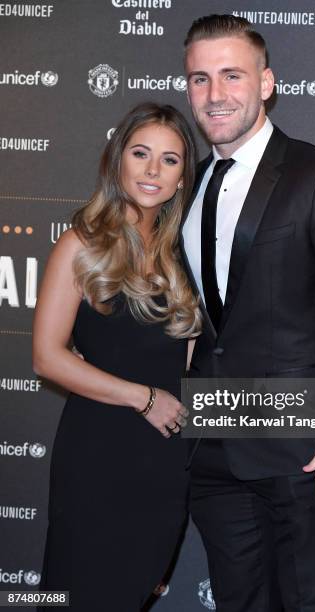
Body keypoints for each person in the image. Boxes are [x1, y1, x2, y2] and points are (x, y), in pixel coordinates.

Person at [180, 14, 315, 612]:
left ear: (267, 82)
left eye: (231, 75)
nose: (215, 94)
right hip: (217, 451)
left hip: (305, 453)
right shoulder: (192, 185)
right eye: (199, 79)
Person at [33, 102, 201, 611]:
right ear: (117, 161)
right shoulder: (81, 244)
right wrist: (142, 398)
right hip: (98, 456)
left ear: (180, 179)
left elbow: (192, 359)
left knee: (129, 594)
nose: (153, 171)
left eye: (170, 160)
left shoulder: (182, 252)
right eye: (141, 153)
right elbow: (46, 357)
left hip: (165, 461)